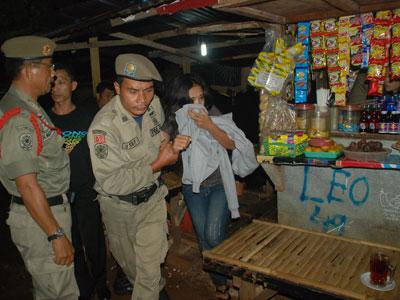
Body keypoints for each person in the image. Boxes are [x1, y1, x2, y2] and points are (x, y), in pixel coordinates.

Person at [87, 53, 191, 300]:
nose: (142, 99)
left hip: (152, 200)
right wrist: (159, 163)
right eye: (133, 91)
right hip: (119, 209)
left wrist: (168, 145)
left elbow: (158, 135)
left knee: (148, 274)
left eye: (148, 90)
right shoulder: (103, 128)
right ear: (117, 88)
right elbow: (111, 181)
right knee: (136, 271)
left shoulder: (153, 105)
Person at [162, 74, 258, 299]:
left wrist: (210, 126)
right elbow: (165, 154)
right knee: (205, 241)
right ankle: (222, 284)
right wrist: (174, 147)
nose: (198, 104)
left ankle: (237, 275)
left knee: (214, 235)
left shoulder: (212, 115)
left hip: (219, 185)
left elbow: (232, 144)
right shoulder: (174, 121)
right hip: (192, 189)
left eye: (201, 98)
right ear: (180, 101)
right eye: (191, 100)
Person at [0, 36, 79, 299]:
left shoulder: (30, 107)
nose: (53, 73)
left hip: (44, 213)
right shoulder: (19, 118)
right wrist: (55, 235)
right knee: (60, 294)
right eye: (49, 66)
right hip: (41, 219)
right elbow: (26, 183)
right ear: (28, 69)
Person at [46, 63, 110, 300]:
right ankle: (83, 286)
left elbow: (101, 152)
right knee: (70, 242)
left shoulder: (88, 117)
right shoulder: (44, 120)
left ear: (73, 86)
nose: (56, 88)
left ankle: (102, 285)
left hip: (86, 191)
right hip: (58, 194)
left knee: (93, 242)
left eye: (61, 82)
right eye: (52, 82)